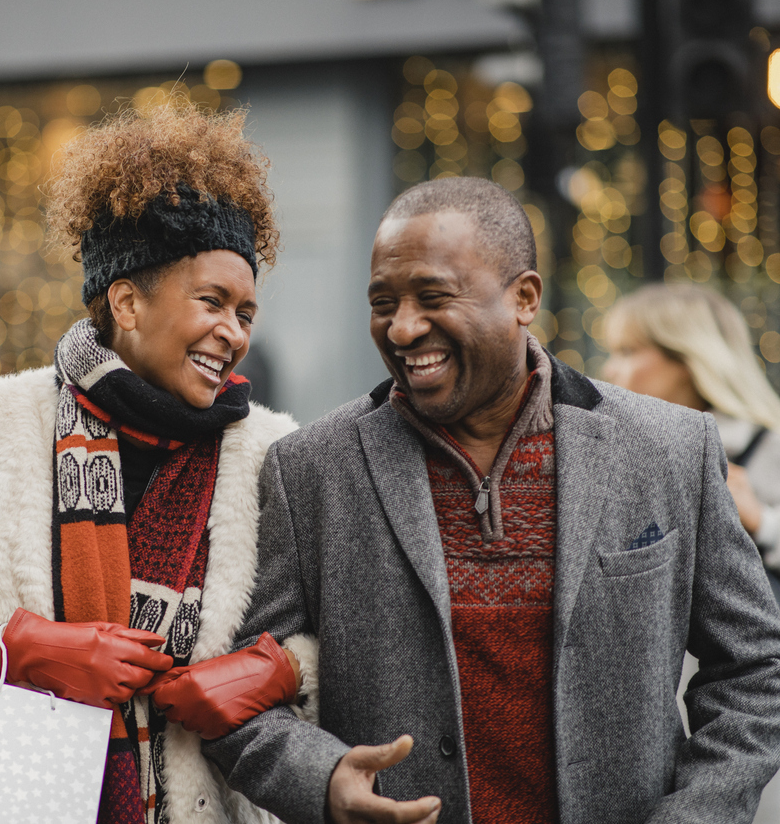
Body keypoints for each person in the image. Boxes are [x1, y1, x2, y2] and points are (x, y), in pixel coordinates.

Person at [202, 177, 780, 824]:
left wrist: (696, 814)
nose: (403, 327)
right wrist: (323, 779)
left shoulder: (670, 449)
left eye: (433, 297)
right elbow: (238, 692)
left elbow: (758, 667)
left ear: (524, 298)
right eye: (383, 302)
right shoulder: (310, 469)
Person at [0, 100, 309, 824]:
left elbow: (327, 636)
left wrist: (277, 670)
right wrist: (19, 647)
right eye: (212, 302)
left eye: (246, 313)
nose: (232, 333)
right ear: (127, 302)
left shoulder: (273, 453)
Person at [602, 283, 780, 602]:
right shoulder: (617, 456)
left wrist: (761, 521)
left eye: (627, 351)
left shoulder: (767, 444)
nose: (609, 369)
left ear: (687, 358)